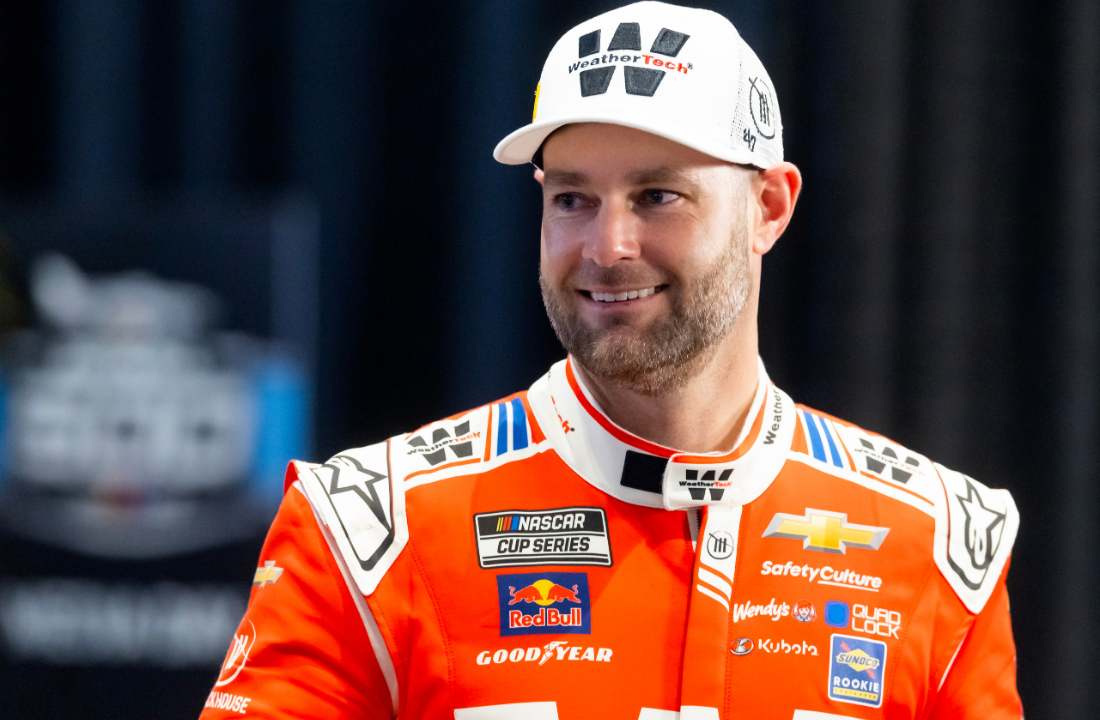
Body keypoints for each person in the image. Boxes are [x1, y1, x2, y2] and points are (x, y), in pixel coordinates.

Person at [199, 3, 1022, 718]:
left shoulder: (939, 540)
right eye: (572, 199)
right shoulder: (369, 527)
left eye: (657, 195)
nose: (607, 246)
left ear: (768, 207)